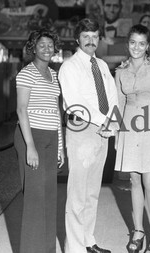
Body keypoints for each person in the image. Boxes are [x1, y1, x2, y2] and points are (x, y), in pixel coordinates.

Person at [58, 18, 118, 253]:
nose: (91, 41)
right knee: (77, 193)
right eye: (86, 37)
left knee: (93, 190)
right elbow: (74, 103)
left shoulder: (102, 66)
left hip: (103, 132)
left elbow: (112, 96)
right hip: (82, 130)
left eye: (94, 36)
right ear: (77, 39)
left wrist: (111, 122)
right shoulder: (69, 66)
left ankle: (88, 240)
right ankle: (74, 248)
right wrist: (103, 120)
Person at [114, 24, 150, 253]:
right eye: (132, 43)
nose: (136, 47)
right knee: (134, 181)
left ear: (147, 46)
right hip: (130, 127)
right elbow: (119, 104)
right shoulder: (121, 70)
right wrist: (118, 133)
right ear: (127, 44)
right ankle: (138, 230)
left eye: (141, 43)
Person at [14, 28, 65, 253]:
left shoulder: (53, 74)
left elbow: (56, 112)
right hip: (30, 135)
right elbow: (21, 110)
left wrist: (61, 147)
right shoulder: (26, 73)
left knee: (49, 195)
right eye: (41, 45)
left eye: (50, 45)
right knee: (35, 197)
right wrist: (30, 147)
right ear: (33, 47)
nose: (46, 49)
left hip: (51, 137)